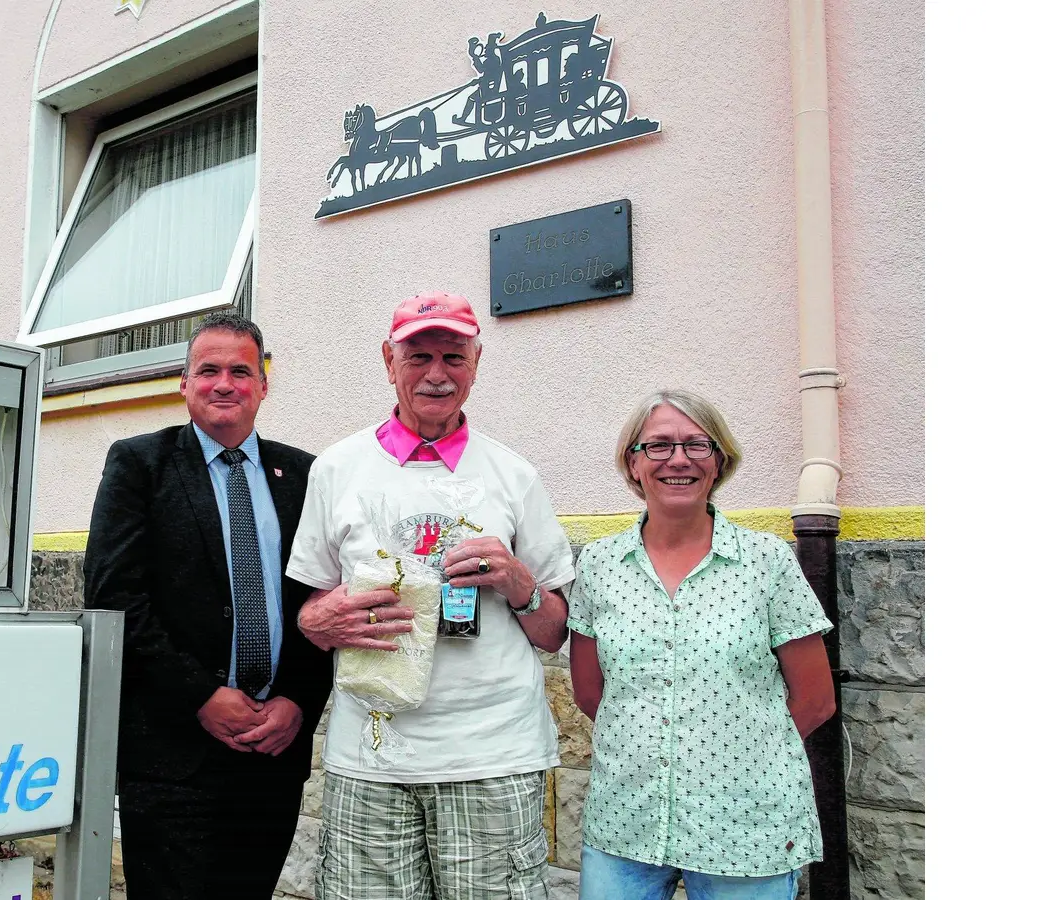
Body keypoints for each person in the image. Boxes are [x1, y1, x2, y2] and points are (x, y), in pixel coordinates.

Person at [289, 291, 574, 899]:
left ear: (477, 362)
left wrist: (518, 582)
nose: (437, 374)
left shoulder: (513, 475)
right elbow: (308, 614)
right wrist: (325, 619)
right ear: (388, 361)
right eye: (418, 357)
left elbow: (554, 631)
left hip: (491, 755)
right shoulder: (337, 469)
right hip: (371, 754)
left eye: (454, 356)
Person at [83, 311, 331, 900]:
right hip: (174, 755)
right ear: (185, 384)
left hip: (273, 750)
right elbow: (114, 597)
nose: (225, 383)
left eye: (241, 371)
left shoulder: (304, 474)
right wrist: (201, 695)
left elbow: (322, 604)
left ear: (263, 385)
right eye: (209, 370)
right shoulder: (139, 464)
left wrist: (298, 701)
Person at [567, 390, 836, 900]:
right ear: (633, 463)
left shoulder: (767, 561)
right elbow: (589, 693)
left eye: (697, 444)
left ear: (719, 462)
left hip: (745, 822)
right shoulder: (599, 565)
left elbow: (816, 699)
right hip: (627, 818)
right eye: (659, 446)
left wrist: (743, 757)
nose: (679, 460)